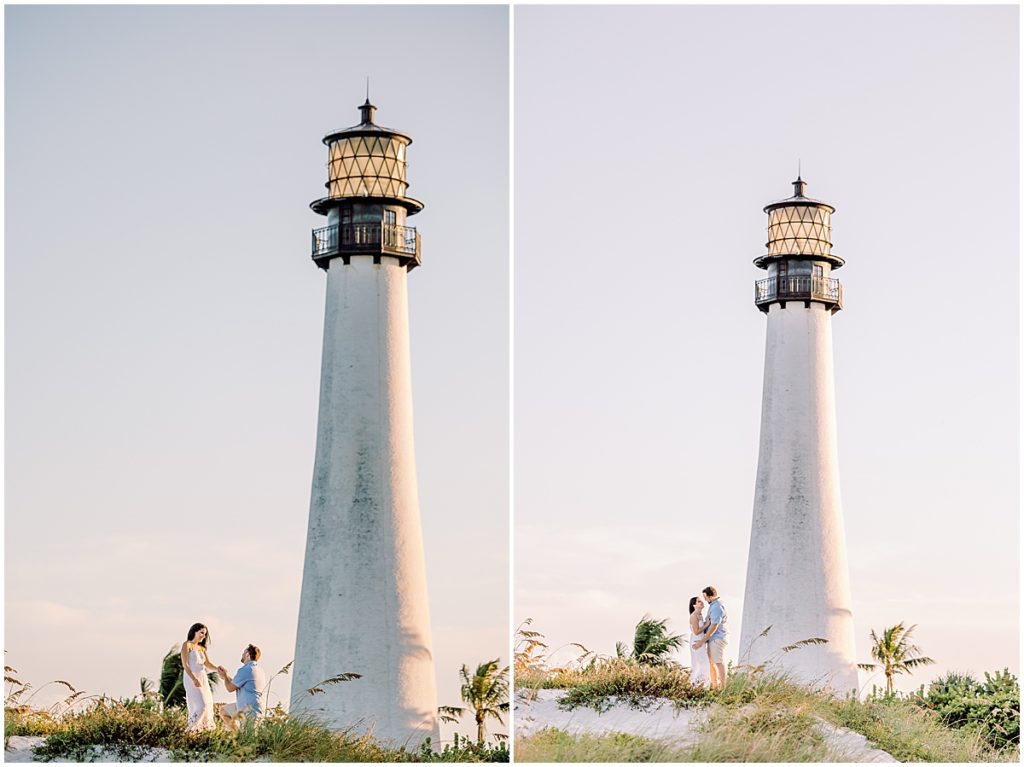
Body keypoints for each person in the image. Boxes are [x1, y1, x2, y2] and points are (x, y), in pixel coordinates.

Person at [217, 644, 267, 731]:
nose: (242, 654)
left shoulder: (246, 669)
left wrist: (225, 676)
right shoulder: (259, 670)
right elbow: (236, 684)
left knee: (250, 739)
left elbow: (230, 688)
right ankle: (237, 735)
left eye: (244, 652)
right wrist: (226, 676)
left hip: (250, 710)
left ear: (248, 654)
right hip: (251, 706)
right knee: (224, 711)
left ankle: (239, 737)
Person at [181, 623, 220, 732]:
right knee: (201, 705)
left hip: (202, 678)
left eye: (205, 634)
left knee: (207, 705)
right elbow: (185, 665)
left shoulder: (202, 648)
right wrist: (194, 679)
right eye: (201, 633)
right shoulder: (187, 645)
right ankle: (188, 731)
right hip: (191, 677)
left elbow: (207, 664)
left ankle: (199, 731)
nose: (203, 636)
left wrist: (218, 669)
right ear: (194, 631)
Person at [692, 585, 728, 689]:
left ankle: (722, 688)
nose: (704, 599)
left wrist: (702, 641)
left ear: (710, 596)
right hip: (713, 639)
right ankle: (715, 686)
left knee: (718, 662)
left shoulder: (717, 606)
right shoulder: (714, 605)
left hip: (717, 638)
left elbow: (714, 626)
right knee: (710, 662)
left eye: (705, 597)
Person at [688, 595, 711, 686]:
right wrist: (707, 624)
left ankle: (698, 685)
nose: (701, 602)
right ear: (694, 605)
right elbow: (696, 631)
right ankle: (696, 683)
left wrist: (705, 623)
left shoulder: (700, 615)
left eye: (701, 601)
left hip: (700, 641)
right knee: (703, 664)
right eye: (698, 601)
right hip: (696, 641)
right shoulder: (694, 616)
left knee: (700, 664)